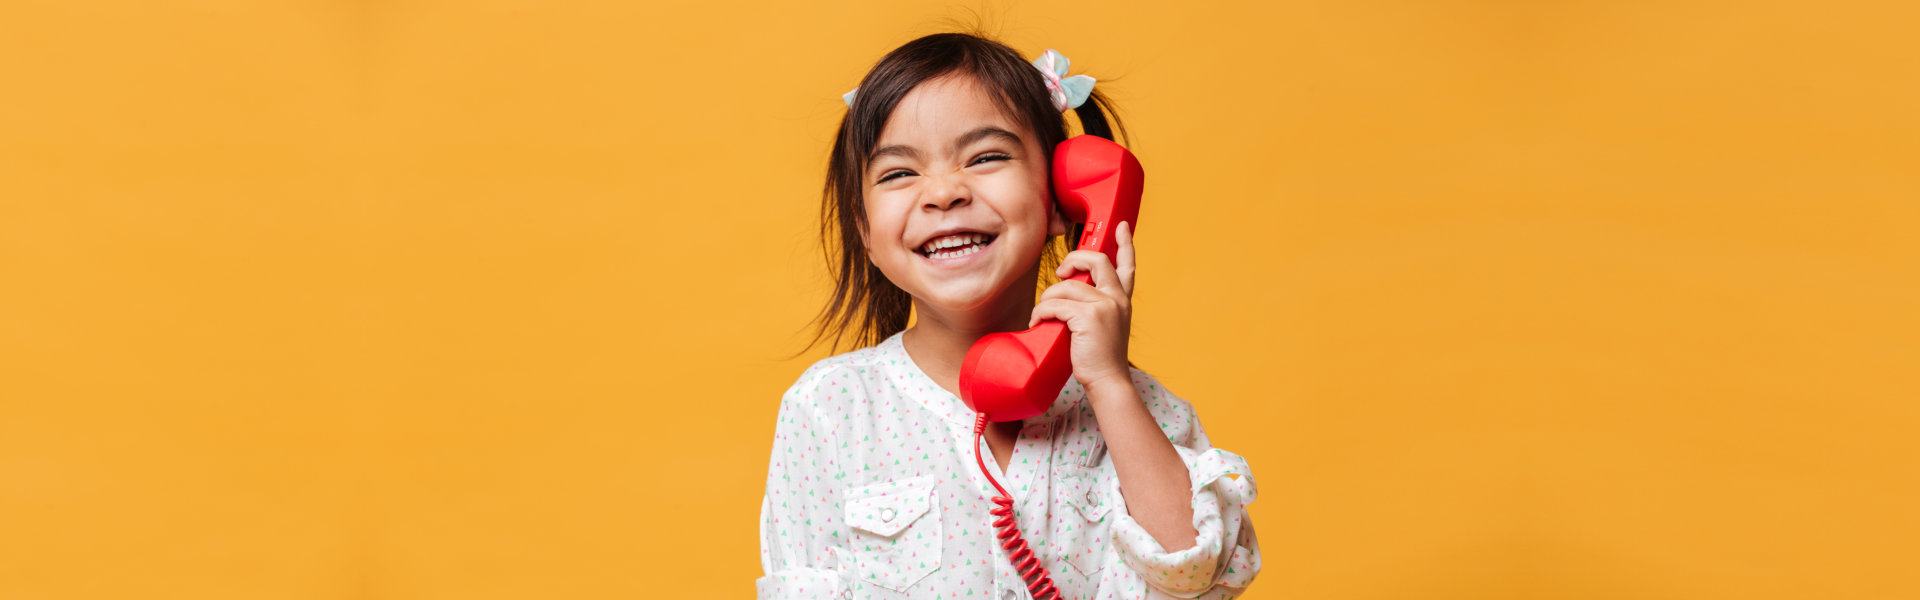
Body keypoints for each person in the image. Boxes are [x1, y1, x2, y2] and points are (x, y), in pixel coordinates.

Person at [758, 31, 1261, 600]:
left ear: (1060, 199)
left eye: (987, 157)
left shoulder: (1141, 410)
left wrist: (1109, 386)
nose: (944, 192)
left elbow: (1196, 573)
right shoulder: (830, 410)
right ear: (865, 230)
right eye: (899, 173)